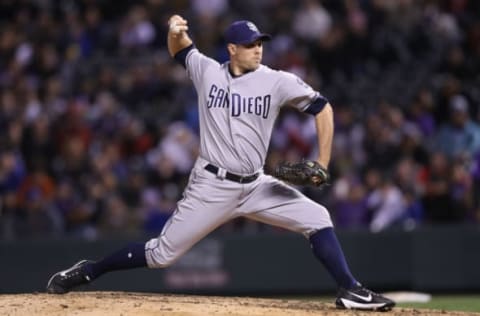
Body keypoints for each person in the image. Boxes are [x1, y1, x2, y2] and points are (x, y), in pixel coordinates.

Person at [46, 15, 395, 311]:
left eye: (260, 42)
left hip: (256, 184)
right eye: (250, 43)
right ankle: (91, 269)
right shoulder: (207, 71)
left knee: (317, 217)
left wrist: (323, 160)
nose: (258, 48)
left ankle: (349, 290)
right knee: (162, 255)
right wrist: (174, 30)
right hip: (211, 185)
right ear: (232, 49)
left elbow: (323, 108)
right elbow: (181, 49)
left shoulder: (276, 80)